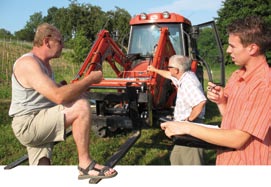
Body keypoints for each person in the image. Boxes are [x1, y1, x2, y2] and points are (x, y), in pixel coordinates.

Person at [8, 23, 117, 179]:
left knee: (42, 165)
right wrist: (90, 80)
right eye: (60, 41)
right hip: (28, 124)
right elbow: (59, 96)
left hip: (39, 119)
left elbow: (54, 90)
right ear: (47, 41)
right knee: (80, 107)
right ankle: (85, 165)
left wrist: (75, 88)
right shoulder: (28, 64)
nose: (63, 45)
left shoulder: (44, 65)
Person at [160, 15, 271, 165]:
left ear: (252, 48)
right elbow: (232, 120)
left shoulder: (265, 84)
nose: (227, 50)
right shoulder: (238, 75)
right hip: (228, 160)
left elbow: (238, 139)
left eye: (232, 46)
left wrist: (187, 127)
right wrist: (221, 101)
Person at [147, 55, 207, 165]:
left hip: (191, 128)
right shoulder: (182, 76)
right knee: (176, 159)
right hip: (183, 128)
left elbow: (200, 102)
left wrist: (188, 120)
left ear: (176, 70)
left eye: (169, 66)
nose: (167, 68)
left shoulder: (188, 83)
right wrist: (154, 70)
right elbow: (168, 75)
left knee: (191, 161)